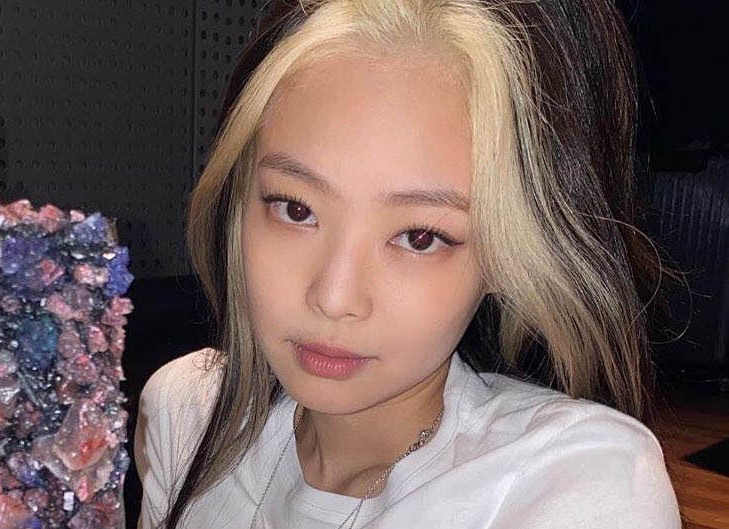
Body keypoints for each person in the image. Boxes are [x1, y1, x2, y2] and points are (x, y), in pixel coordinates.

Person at [135, 0, 682, 527]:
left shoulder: (573, 484)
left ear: (507, 257)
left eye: (420, 238)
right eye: (296, 209)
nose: (334, 297)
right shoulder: (185, 413)